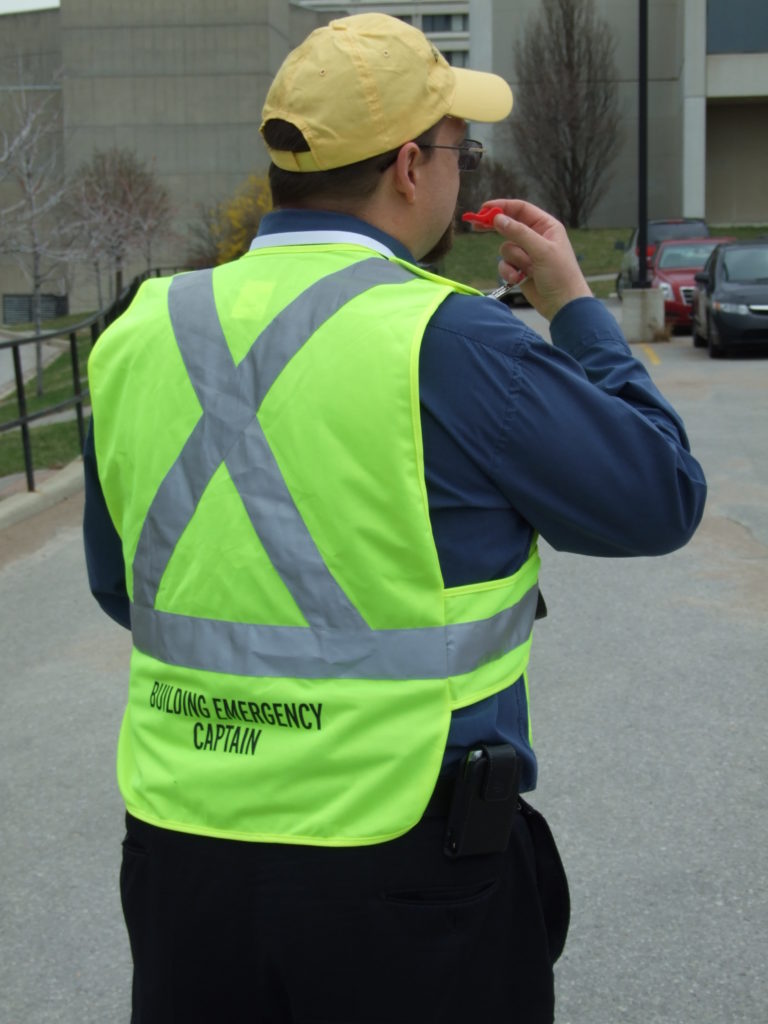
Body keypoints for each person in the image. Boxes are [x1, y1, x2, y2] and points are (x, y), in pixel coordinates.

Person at [82, 12, 706, 1024]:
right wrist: (580, 310)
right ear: (411, 166)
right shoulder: (451, 342)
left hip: (182, 863)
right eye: (460, 147)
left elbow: (126, 588)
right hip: (406, 868)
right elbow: (661, 493)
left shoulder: (142, 329)